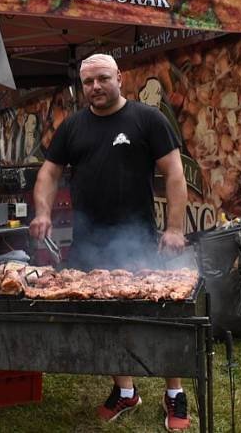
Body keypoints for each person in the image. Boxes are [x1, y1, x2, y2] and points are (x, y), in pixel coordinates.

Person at [29, 53, 191, 431]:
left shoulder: (147, 119)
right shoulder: (73, 127)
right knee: (104, 322)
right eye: (88, 82)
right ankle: (125, 390)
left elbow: (175, 173)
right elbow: (49, 174)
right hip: (89, 244)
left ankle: (174, 395)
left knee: (160, 318)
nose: (96, 87)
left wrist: (175, 229)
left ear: (119, 77)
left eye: (103, 78)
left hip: (138, 238)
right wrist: (42, 212)